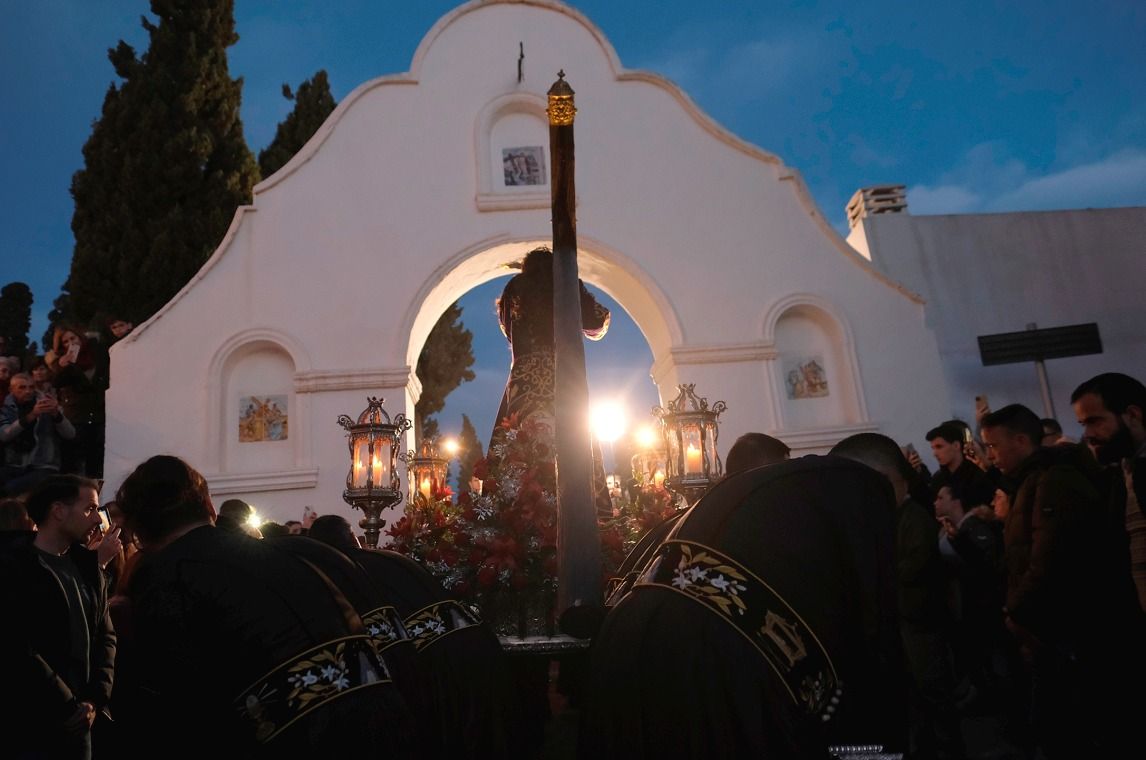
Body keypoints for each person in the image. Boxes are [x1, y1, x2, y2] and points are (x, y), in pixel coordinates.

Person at [582, 455, 907, 757]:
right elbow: (871, 613)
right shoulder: (858, 496)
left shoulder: (784, 490)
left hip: (631, 637)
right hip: (705, 657)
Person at [113, 455, 416, 758]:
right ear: (209, 506)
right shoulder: (281, 554)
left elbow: (179, 705)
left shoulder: (166, 577)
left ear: (139, 531)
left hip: (298, 739)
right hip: (387, 718)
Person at [980, 403, 1143, 756]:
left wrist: (1016, 610)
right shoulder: (1029, 483)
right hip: (1049, 632)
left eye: (993, 446)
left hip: (1064, 633)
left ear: (1021, 440)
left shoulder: (1053, 481)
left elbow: (1050, 558)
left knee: (1072, 730)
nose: (989, 455)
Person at [309, 514, 522, 758]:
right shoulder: (392, 558)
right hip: (477, 643)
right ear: (354, 539)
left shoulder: (335, 576)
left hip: (435, 669)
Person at [831, 433, 965, 760]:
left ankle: (949, 748)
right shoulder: (887, 519)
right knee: (913, 695)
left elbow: (914, 566)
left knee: (932, 689)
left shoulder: (914, 517)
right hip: (903, 622)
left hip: (920, 622)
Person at [0, 475, 116, 760]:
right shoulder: (14, 567)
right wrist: (67, 704)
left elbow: (106, 634)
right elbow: (16, 643)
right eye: (90, 509)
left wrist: (95, 698)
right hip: (31, 722)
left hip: (82, 720)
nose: (97, 521)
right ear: (59, 511)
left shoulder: (88, 568)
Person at [1071, 372, 1146, 612]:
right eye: (1083, 425)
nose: (1088, 435)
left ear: (1133, 415)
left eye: (1095, 421)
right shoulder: (1121, 473)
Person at [1, 373, 76, 495]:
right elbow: (5, 435)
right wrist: (32, 415)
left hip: (43, 464)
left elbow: (70, 434)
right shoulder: (5, 410)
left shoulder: (46, 405)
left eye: (31, 387)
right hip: (15, 464)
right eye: (22, 387)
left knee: (11, 488)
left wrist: (56, 414)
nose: (28, 391)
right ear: (11, 390)